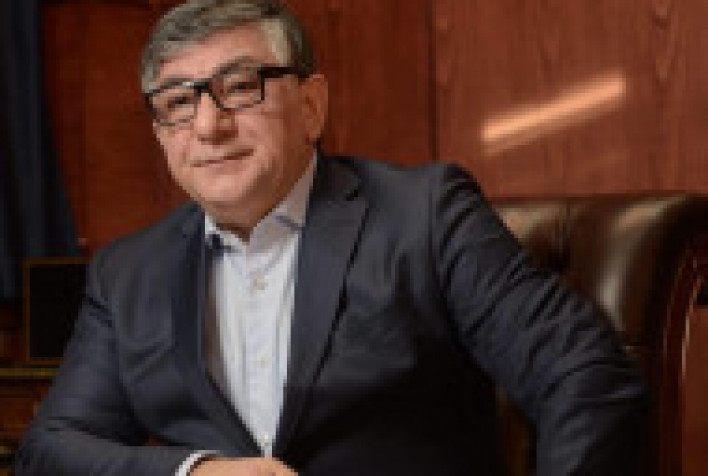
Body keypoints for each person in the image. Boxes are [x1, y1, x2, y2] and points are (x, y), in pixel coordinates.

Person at [14, 0, 646, 474]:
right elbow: (51, 449)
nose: (208, 126)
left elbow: (586, 378)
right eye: (179, 102)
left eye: (241, 88)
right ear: (160, 134)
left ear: (311, 105)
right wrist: (195, 472)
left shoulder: (424, 216)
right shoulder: (128, 271)